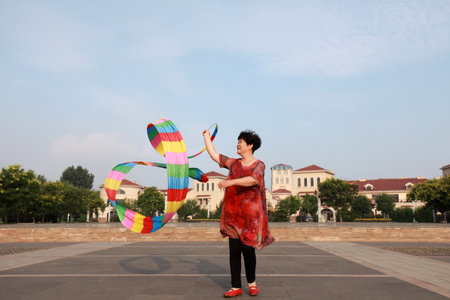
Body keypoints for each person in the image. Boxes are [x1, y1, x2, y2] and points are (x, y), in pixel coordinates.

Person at [203, 129, 274, 298]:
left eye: (241, 141)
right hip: (232, 215)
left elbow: (253, 180)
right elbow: (214, 155)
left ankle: (252, 283)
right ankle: (235, 286)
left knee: (248, 251)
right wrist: (206, 137)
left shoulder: (259, 165)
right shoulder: (234, 163)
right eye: (238, 141)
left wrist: (231, 181)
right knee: (234, 251)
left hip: (250, 218)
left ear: (250, 145)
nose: (238, 144)